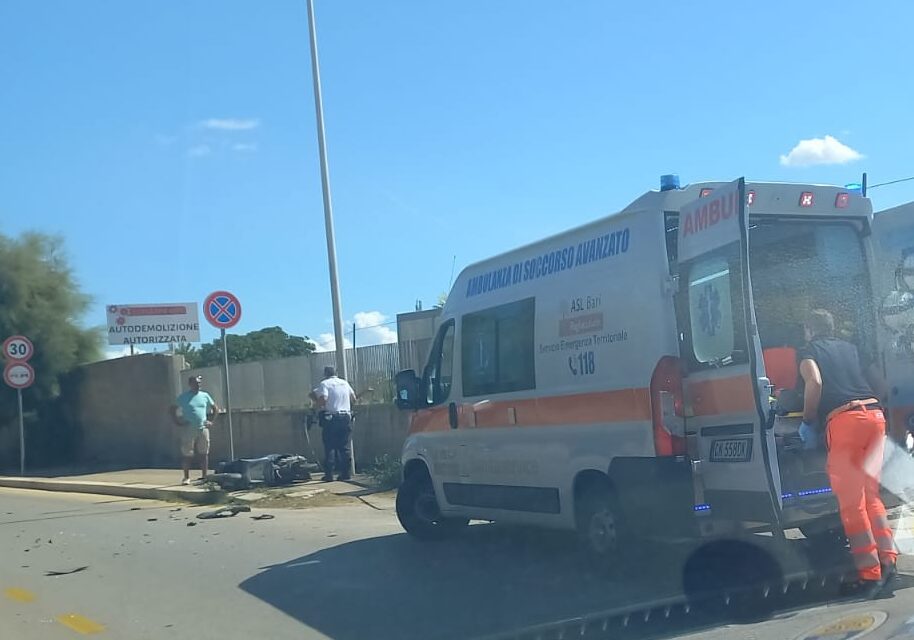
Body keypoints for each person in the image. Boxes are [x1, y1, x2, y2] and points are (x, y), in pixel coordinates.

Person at [798, 309, 897, 596]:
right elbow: (882, 386)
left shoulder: (809, 351)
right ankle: (888, 561)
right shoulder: (853, 348)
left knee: (852, 503)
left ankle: (869, 576)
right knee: (871, 495)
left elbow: (814, 382)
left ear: (809, 329)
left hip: (845, 422)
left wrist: (807, 420)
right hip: (875, 417)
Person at [310, 366, 357, 482]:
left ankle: (329, 475)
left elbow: (323, 399)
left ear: (325, 374)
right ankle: (346, 473)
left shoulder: (325, 384)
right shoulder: (344, 383)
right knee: (344, 446)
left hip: (331, 418)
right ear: (336, 373)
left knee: (330, 445)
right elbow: (353, 398)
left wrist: (315, 407)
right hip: (345, 417)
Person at [169, 375, 218, 486]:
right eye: (196, 383)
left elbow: (215, 408)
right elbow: (172, 409)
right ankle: (186, 477)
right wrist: (178, 422)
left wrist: (211, 421)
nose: (198, 385)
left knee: (204, 453)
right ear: (190, 384)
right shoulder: (183, 397)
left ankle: (205, 476)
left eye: (199, 383)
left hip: (203, 428)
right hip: (188, 429)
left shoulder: (205, 395)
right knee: (187, 454)